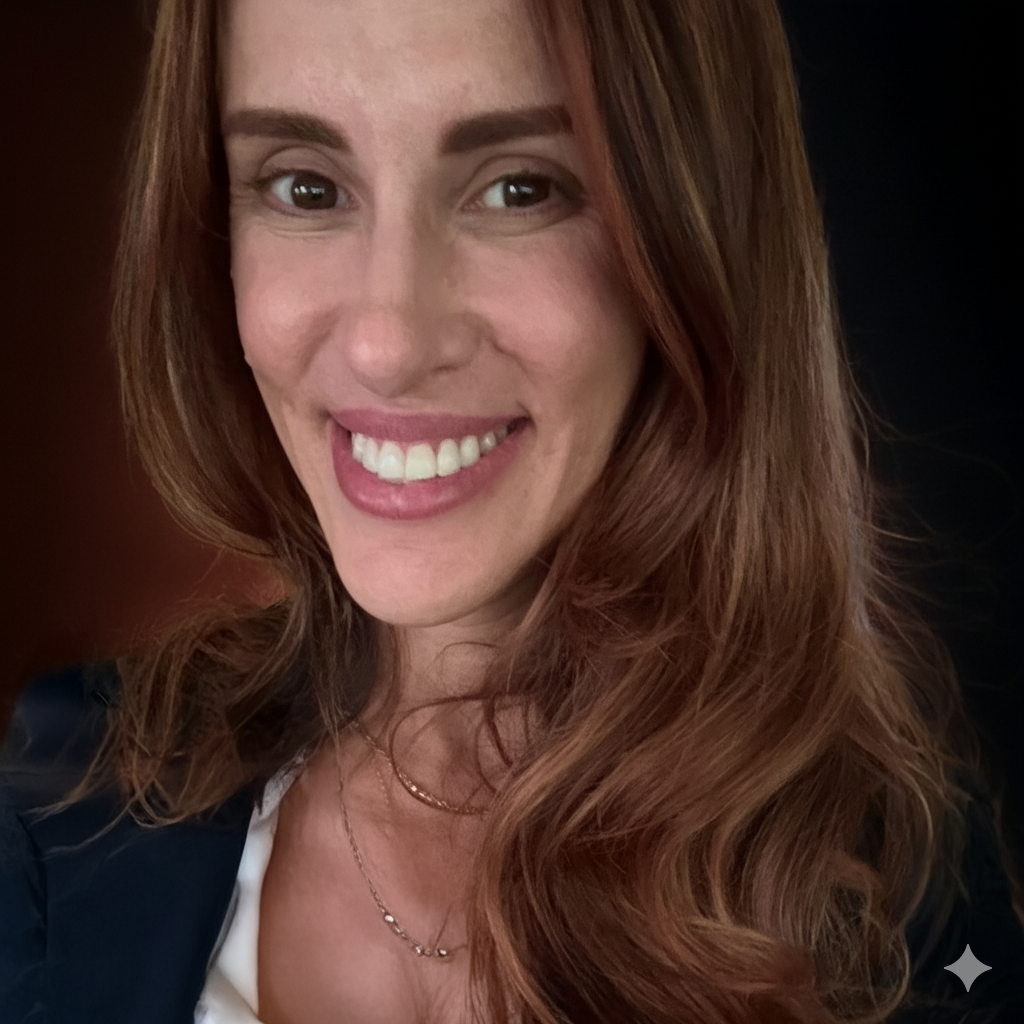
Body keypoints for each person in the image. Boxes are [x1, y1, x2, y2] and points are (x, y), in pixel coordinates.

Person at [2, 0, 1022, 1022]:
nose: (388, 342)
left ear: (696, 233)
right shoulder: (60, 795)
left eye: (517, 188)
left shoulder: (900, 893)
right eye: (305, 186)